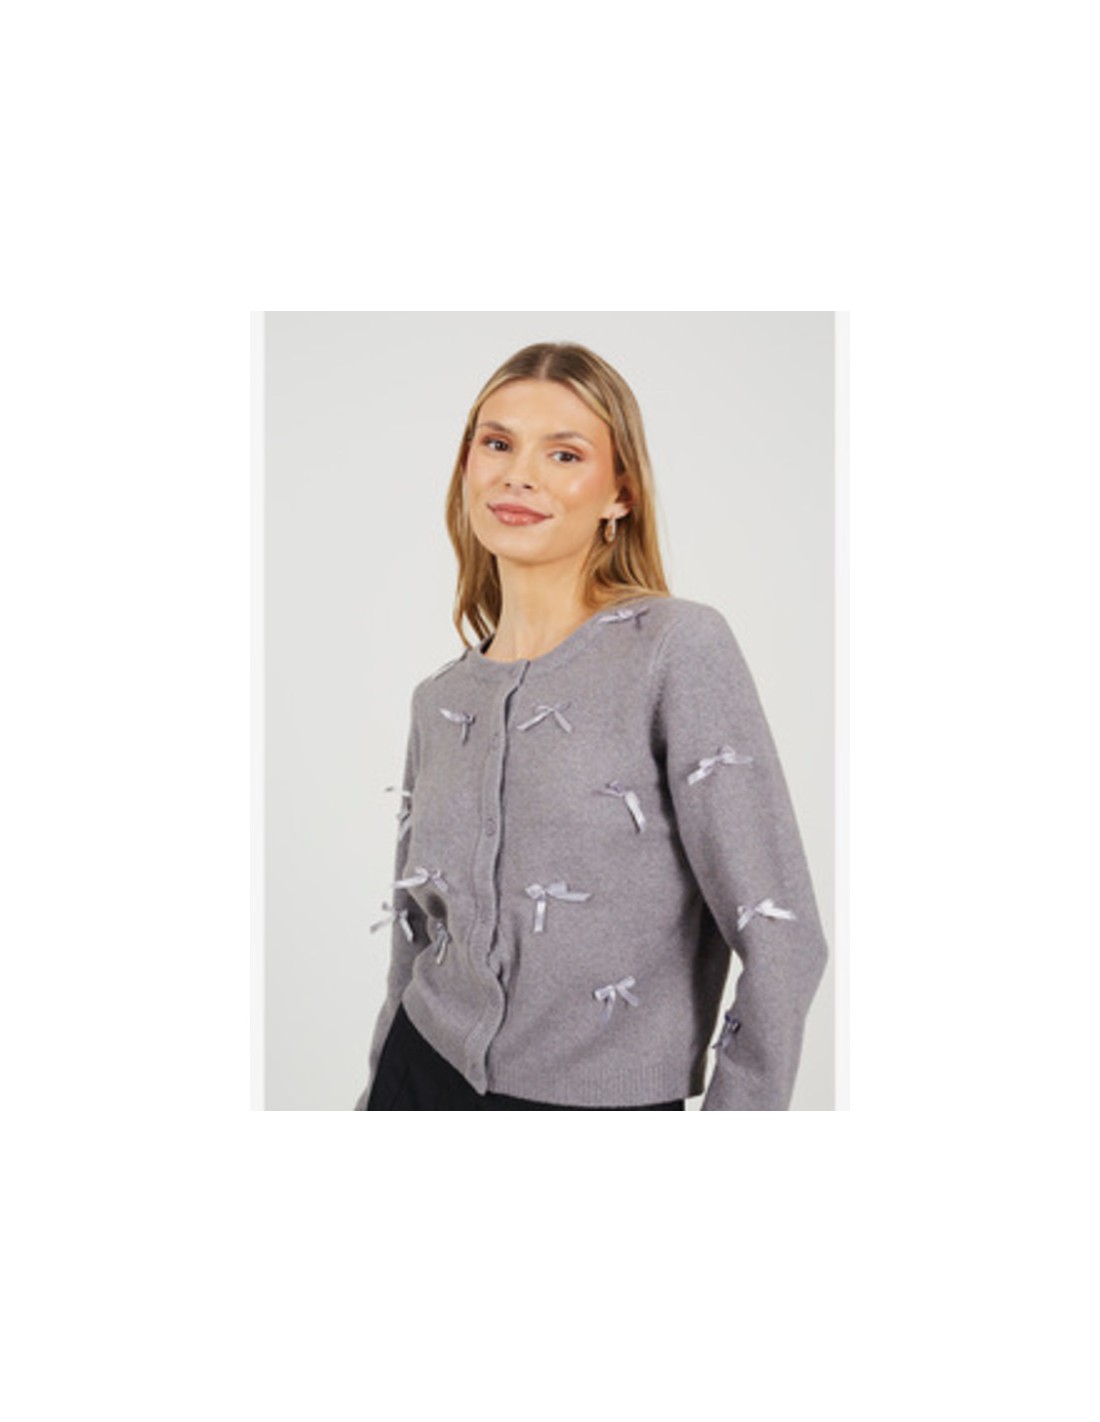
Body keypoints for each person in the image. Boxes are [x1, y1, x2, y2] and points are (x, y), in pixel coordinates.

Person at [354, 341, 829, 1111]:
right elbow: (414, 939)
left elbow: (784, 938)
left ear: (621, 494)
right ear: (467, 466)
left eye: (565, 454)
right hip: (417, 1074)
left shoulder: (676, 650)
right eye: (497, 443)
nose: (519, 475)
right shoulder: (440, 698)